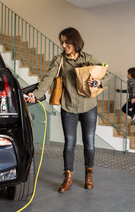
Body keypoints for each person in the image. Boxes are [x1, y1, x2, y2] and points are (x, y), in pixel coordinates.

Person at [27, 27, 108, 193]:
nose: (64, 45)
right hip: (69, 107)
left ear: (75, 41)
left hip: (88, 107)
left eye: (67, 42)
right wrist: (35, 95)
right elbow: (47, 79)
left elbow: (106, 74)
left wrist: (98, 82)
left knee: (89, 143)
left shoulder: (89, 58)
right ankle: (68, 176)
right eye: (62, 42)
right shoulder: (60, 60)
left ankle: (88, 174)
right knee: (69, 144)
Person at [116, 67, 135, 136]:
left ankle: (134, 116)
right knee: (134, 115)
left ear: (130, 74)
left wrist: (133, 97)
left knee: (124, 109)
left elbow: (134, 88)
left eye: (127, 73)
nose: (127, 75)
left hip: (134, 100)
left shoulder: (130, 81)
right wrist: (120, 91)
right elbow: (129, 90)